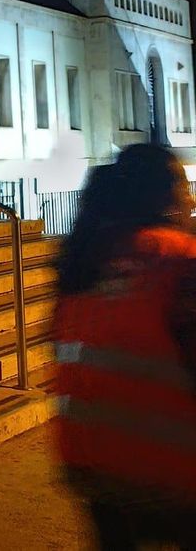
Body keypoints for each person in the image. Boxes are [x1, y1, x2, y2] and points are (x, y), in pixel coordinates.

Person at [53, 143, 196, 549]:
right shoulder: (180, 261)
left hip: (93, 466)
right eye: (184, 188)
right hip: (170, 471)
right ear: (167, 197)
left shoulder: (85, 261)